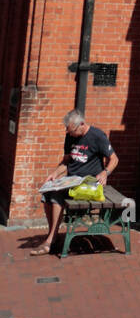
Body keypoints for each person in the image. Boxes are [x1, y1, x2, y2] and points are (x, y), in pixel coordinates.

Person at [31, 109, 119, 256]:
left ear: (82, 125)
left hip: (88, 183)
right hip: (71, 181)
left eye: (71, 130)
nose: (68, 133)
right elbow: (66, 162)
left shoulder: (97, 136)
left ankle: (50, 240)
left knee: (56, 197)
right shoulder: (70, 137)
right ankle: (53, 233)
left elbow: (114, 159)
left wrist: (105, 172)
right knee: (46, 194)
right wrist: (54, 174)